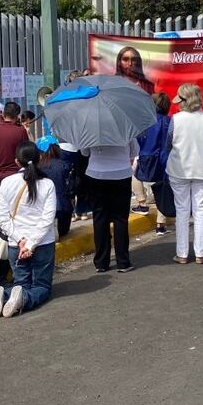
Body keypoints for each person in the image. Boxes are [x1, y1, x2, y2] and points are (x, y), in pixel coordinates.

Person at [0, 141, 57, 317]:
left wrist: (20, 240)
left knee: (20, 283)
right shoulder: (47, 184)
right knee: (42, 286)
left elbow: (2, 217)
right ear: (39, 158)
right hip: (42, 243)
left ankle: (5, 294)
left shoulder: (6, 182)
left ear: (16, 161)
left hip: (15, 243)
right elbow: (47, 219)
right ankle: (24, 299)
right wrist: (31, 244)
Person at [167, 84, 203, 265]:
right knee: (200, 211)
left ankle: (182, 253)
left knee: (182, 210)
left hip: (179, 168)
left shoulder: (176, 119)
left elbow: (168, 143)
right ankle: (201, 253)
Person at [84, 134, 139, 273]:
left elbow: (84, 152)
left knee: (99, 218)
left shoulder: (90, 129)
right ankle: (123, 262)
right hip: (121, 174)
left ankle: (101, 262)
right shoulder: (125, 128)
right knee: (120, 219)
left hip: (96, 174)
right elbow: (134, 151)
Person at [135, 92, 173, 235]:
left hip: (147, 156)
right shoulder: (170, 121)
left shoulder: (145, 121)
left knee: (135, 173)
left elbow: (138, 140)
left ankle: (142, 202)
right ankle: (160, 224)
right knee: (164, 187)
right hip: (165, 158)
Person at [36, 137, 74, 237]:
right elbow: (71, 187)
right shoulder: (65, 165)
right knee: (63, 233)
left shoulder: (36, 168)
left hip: (43, 212)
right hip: (63, 210)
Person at [0, 102, 30, 182]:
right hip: (16, 176)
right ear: (17, 116)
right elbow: (26, 153)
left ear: (3, 114)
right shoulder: (21, 131)